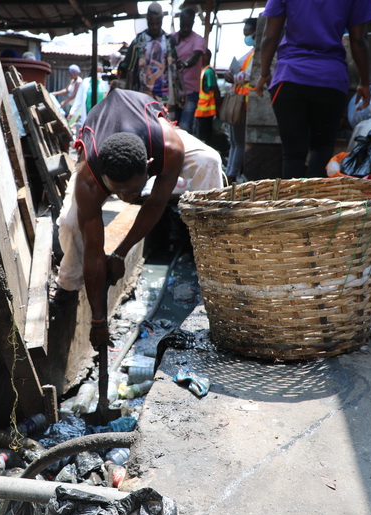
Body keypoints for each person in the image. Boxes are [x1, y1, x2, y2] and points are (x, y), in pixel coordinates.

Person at [51, 89, 223, 350]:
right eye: (118, 192)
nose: (126, 198)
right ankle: (67, 284)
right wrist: (98, 321)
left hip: (149, 130)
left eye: (133, 191)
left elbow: (155, 204)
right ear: (103, 179)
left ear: (149, 167)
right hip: (103, 142)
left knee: (209, 160)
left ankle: (214, 264)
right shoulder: (89, 178)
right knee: (70, 222)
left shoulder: (170, 148)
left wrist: (120, 254)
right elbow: (94, 251)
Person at [255, 0, 371, 179]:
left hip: (290, 76)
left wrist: (264, 73)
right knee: (323, 148)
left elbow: (270, 36)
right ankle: (317, 198)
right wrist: (364, 82)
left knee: (293, 153)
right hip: (330, 79)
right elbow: (359, 40)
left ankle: (291, 198)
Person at [120, 2, 181, 107]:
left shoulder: (169, 41)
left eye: (158, 23)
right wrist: (128, 97)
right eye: (151, 23)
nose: (154, 27)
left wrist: (181, 90)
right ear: (147, 20)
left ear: (162, 21)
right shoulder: (138, 41)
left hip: (165, 98)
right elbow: (130, 71)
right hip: (143, 98)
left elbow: (176, 68)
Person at [224, 18, 257, 182]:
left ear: (255, 33)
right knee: (235, 141)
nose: (246, 36)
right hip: (239, 101)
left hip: (244, 103)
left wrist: (234, 76)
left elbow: (249, 75)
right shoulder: (251, 53)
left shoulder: (256, 54)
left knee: (238, 142)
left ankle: (231, 174)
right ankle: (230, 172)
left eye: (248, 33)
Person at [172, 7, 205, 134]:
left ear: (193, 23)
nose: (185, 28)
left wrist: (184, 64)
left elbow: (195, 57)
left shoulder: (198, 40)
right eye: (183, 24)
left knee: (184, 127)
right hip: (173, 92)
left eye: (188, 25)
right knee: (171, 126)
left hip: (190, 92)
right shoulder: (172, 38)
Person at [194, 49, 219, 143]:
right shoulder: (202, 71)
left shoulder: (208, 72)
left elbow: (215, 90)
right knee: (200, 136)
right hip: (200, 110)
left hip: (206, 111)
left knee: (204, 137)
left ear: (207, 57)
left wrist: (219, 107)